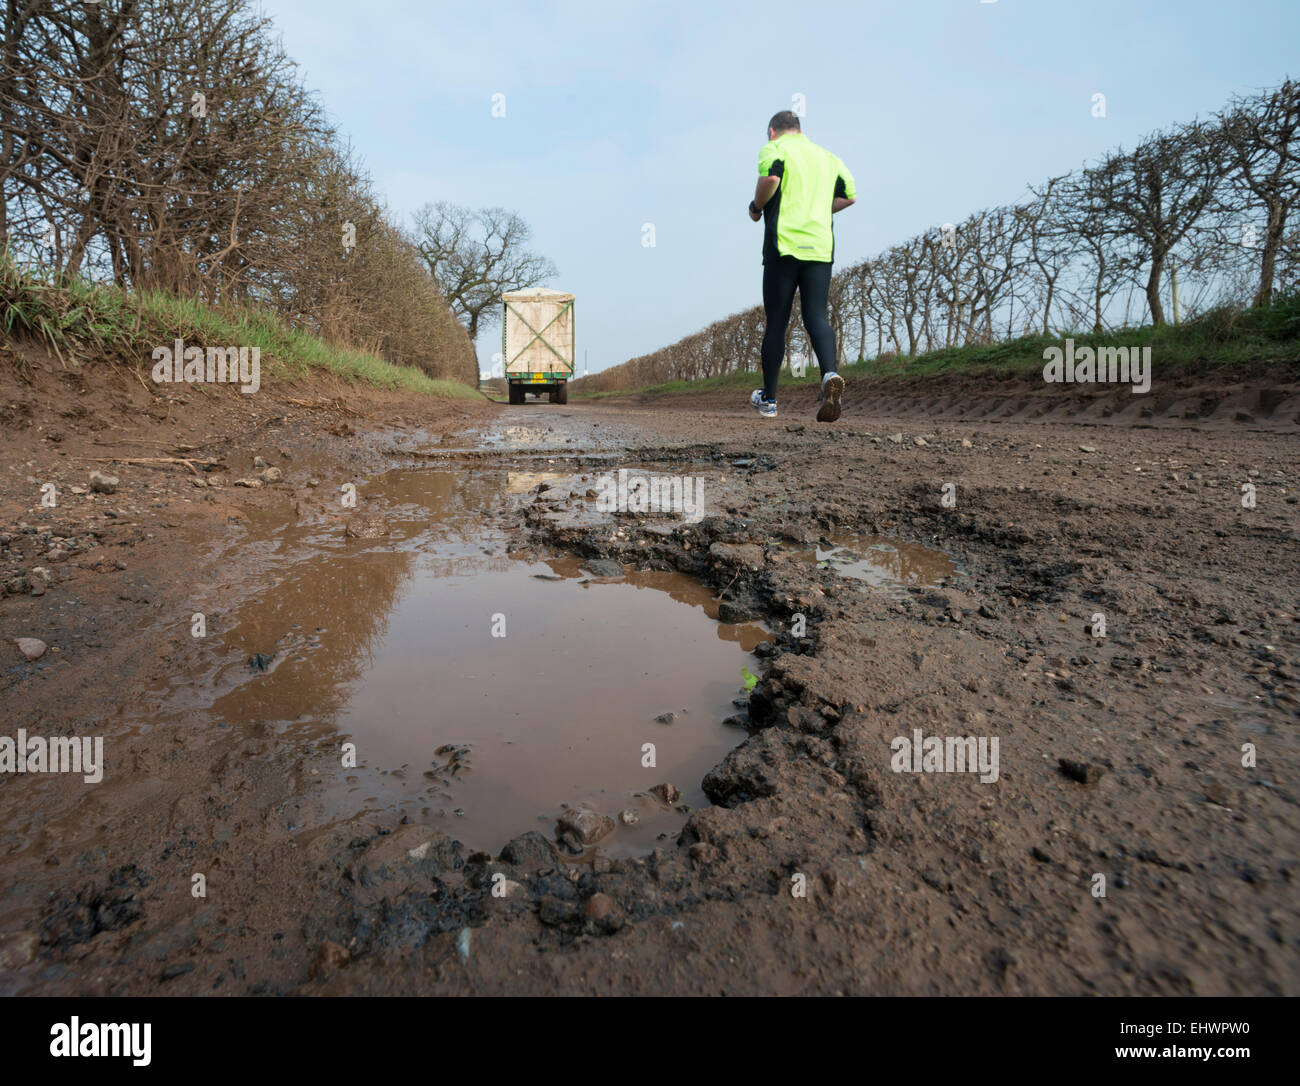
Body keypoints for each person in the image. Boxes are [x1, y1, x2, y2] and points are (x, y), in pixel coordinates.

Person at [747, 111, 856, 420]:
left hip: (784, 247)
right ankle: (829, 375)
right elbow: (849, 197)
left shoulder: (775, 149)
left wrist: (756, 208)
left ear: (772, 132)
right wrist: (819, 208)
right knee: (816, 317)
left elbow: (771, 179)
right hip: (820, 249)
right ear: (800, 129)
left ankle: (768, 400)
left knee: (777, 323)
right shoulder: (828, 157)